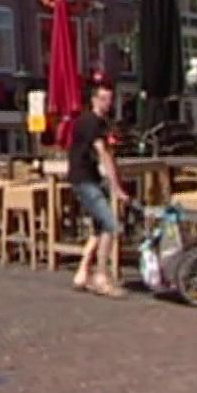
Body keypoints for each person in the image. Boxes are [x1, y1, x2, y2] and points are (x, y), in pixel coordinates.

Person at [69, 83, 130, 298]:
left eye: (110, 99)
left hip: (89, 178)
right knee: (110, 224)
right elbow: (103, 154)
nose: (107, 103)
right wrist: (117, 188)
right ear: (93, 100)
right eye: (103, 99)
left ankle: (82, 274)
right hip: (84, 179)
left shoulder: (99, 122)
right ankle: (101, 277)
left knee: (99, 228)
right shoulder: (91, 122)